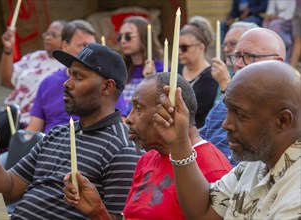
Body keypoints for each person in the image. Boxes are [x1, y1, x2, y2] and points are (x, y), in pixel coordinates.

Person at [0, 43, 142, 219]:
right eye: (70, 74)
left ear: (107, 87)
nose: (66, 84)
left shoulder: (122, 149)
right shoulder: (58, 134)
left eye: (78, 77)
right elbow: (4, 193)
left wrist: (96, 210)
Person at [62, 72, 232, 219]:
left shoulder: (213, 171)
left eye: (138, 107)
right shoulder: (148, 158)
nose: (128, 118)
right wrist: (97, 211)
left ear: (169, 111)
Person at [153, 60, 301, 219]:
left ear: (283, 121)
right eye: (228, 110)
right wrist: (179, 143)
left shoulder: (295, 193)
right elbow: (204, 213)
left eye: (240, 114)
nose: (225, 124)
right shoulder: (255, 161)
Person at [199, 28, 286, 167]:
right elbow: (197, 148)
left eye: (250, 56)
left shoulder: (285, 116)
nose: (238, 64)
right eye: (237, 56)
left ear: (278, 62)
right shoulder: (221, 108)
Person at [26, 20, 126, 133]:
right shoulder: (47, 83)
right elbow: (32, 131)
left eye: (93, 46)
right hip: (52, 145)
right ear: (64, 46)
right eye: (83, 46)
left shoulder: (103, 83)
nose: (91, 52)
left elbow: (120, 125)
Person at [1, 20, 66, 128]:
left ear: (66, 40)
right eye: (46, 33)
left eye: (53, 35)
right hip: (9, 115)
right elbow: (6, 81)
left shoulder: (66, 68)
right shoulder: (34, 57)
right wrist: (8, 50)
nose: (47, 37)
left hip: (31, 123)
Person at [118, 16, 164, 113]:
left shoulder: (161, 68)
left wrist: (152, 79)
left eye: (128, 36)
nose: (122, 41)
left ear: (144, 37)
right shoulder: (121, 69)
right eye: (120, 37)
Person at [178, 21, 218, 128]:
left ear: (201, 47)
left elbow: (194, 110)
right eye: (178, 47)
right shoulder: (177, 69)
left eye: (184, 47)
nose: (179, 52)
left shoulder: (211, 76)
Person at [211, 21, 258, 104]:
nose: (226, 50)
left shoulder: (257, 78)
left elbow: (240, 112)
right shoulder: (228, 73)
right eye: (224, 45)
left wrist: (225, 83)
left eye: (233, 44)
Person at [290, 0, 301, 69]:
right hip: (297, 9)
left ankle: (291, 72)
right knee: (297, 41)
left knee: (297, 42)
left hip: (298, 7)